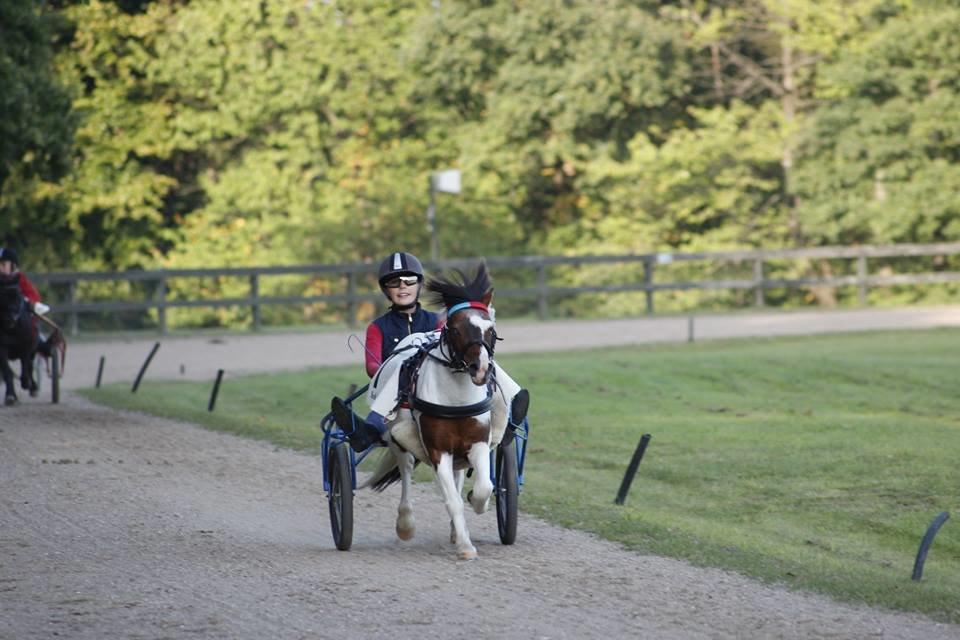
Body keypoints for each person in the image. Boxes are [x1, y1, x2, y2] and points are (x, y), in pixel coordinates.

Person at [331, 251, 529, 452]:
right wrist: (389, 369)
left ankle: (512, 401)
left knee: (480, 355)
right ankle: (365, 433)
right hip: (398, 388)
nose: (402, 286)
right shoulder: (378, 327)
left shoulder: (438, 321)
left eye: (409, 280)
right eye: (394, 282)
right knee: (388, 398)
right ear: (385, 289)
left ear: (419, 285)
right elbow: (372, 366)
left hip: (436, 387)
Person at [0, 247, 52, 356]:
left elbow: (34, 295)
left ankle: (38, 342)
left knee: (29, 320)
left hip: (18, 319)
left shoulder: (20, 278)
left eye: (3, 264)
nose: (0, 268)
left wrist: (28, 301)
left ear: (13, 265)